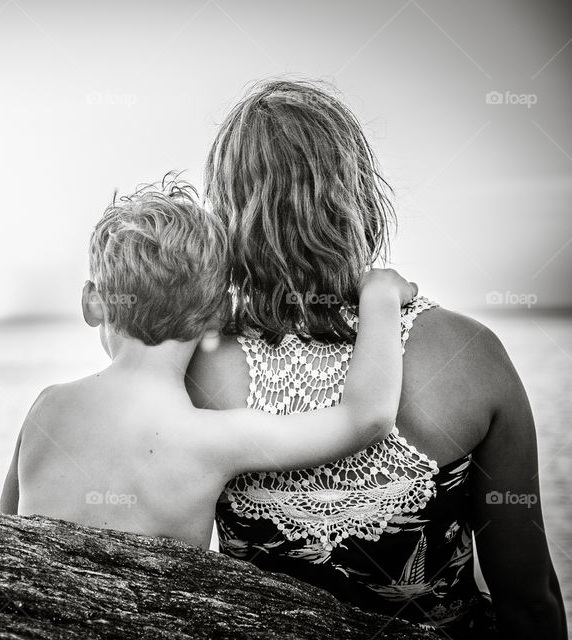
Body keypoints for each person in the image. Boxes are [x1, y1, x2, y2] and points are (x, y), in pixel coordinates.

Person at [188, 79, 566, 639]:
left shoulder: (195, 365)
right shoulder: (469, 354)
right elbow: (528, 602)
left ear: (229, 214)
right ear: (360, 196)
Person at [0, 177, 416, 549]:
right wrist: (379, 297)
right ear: (220, 314)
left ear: (92, 303)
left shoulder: (46, 408)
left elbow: (3, 538)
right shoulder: (215, 439)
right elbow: (368, 418)